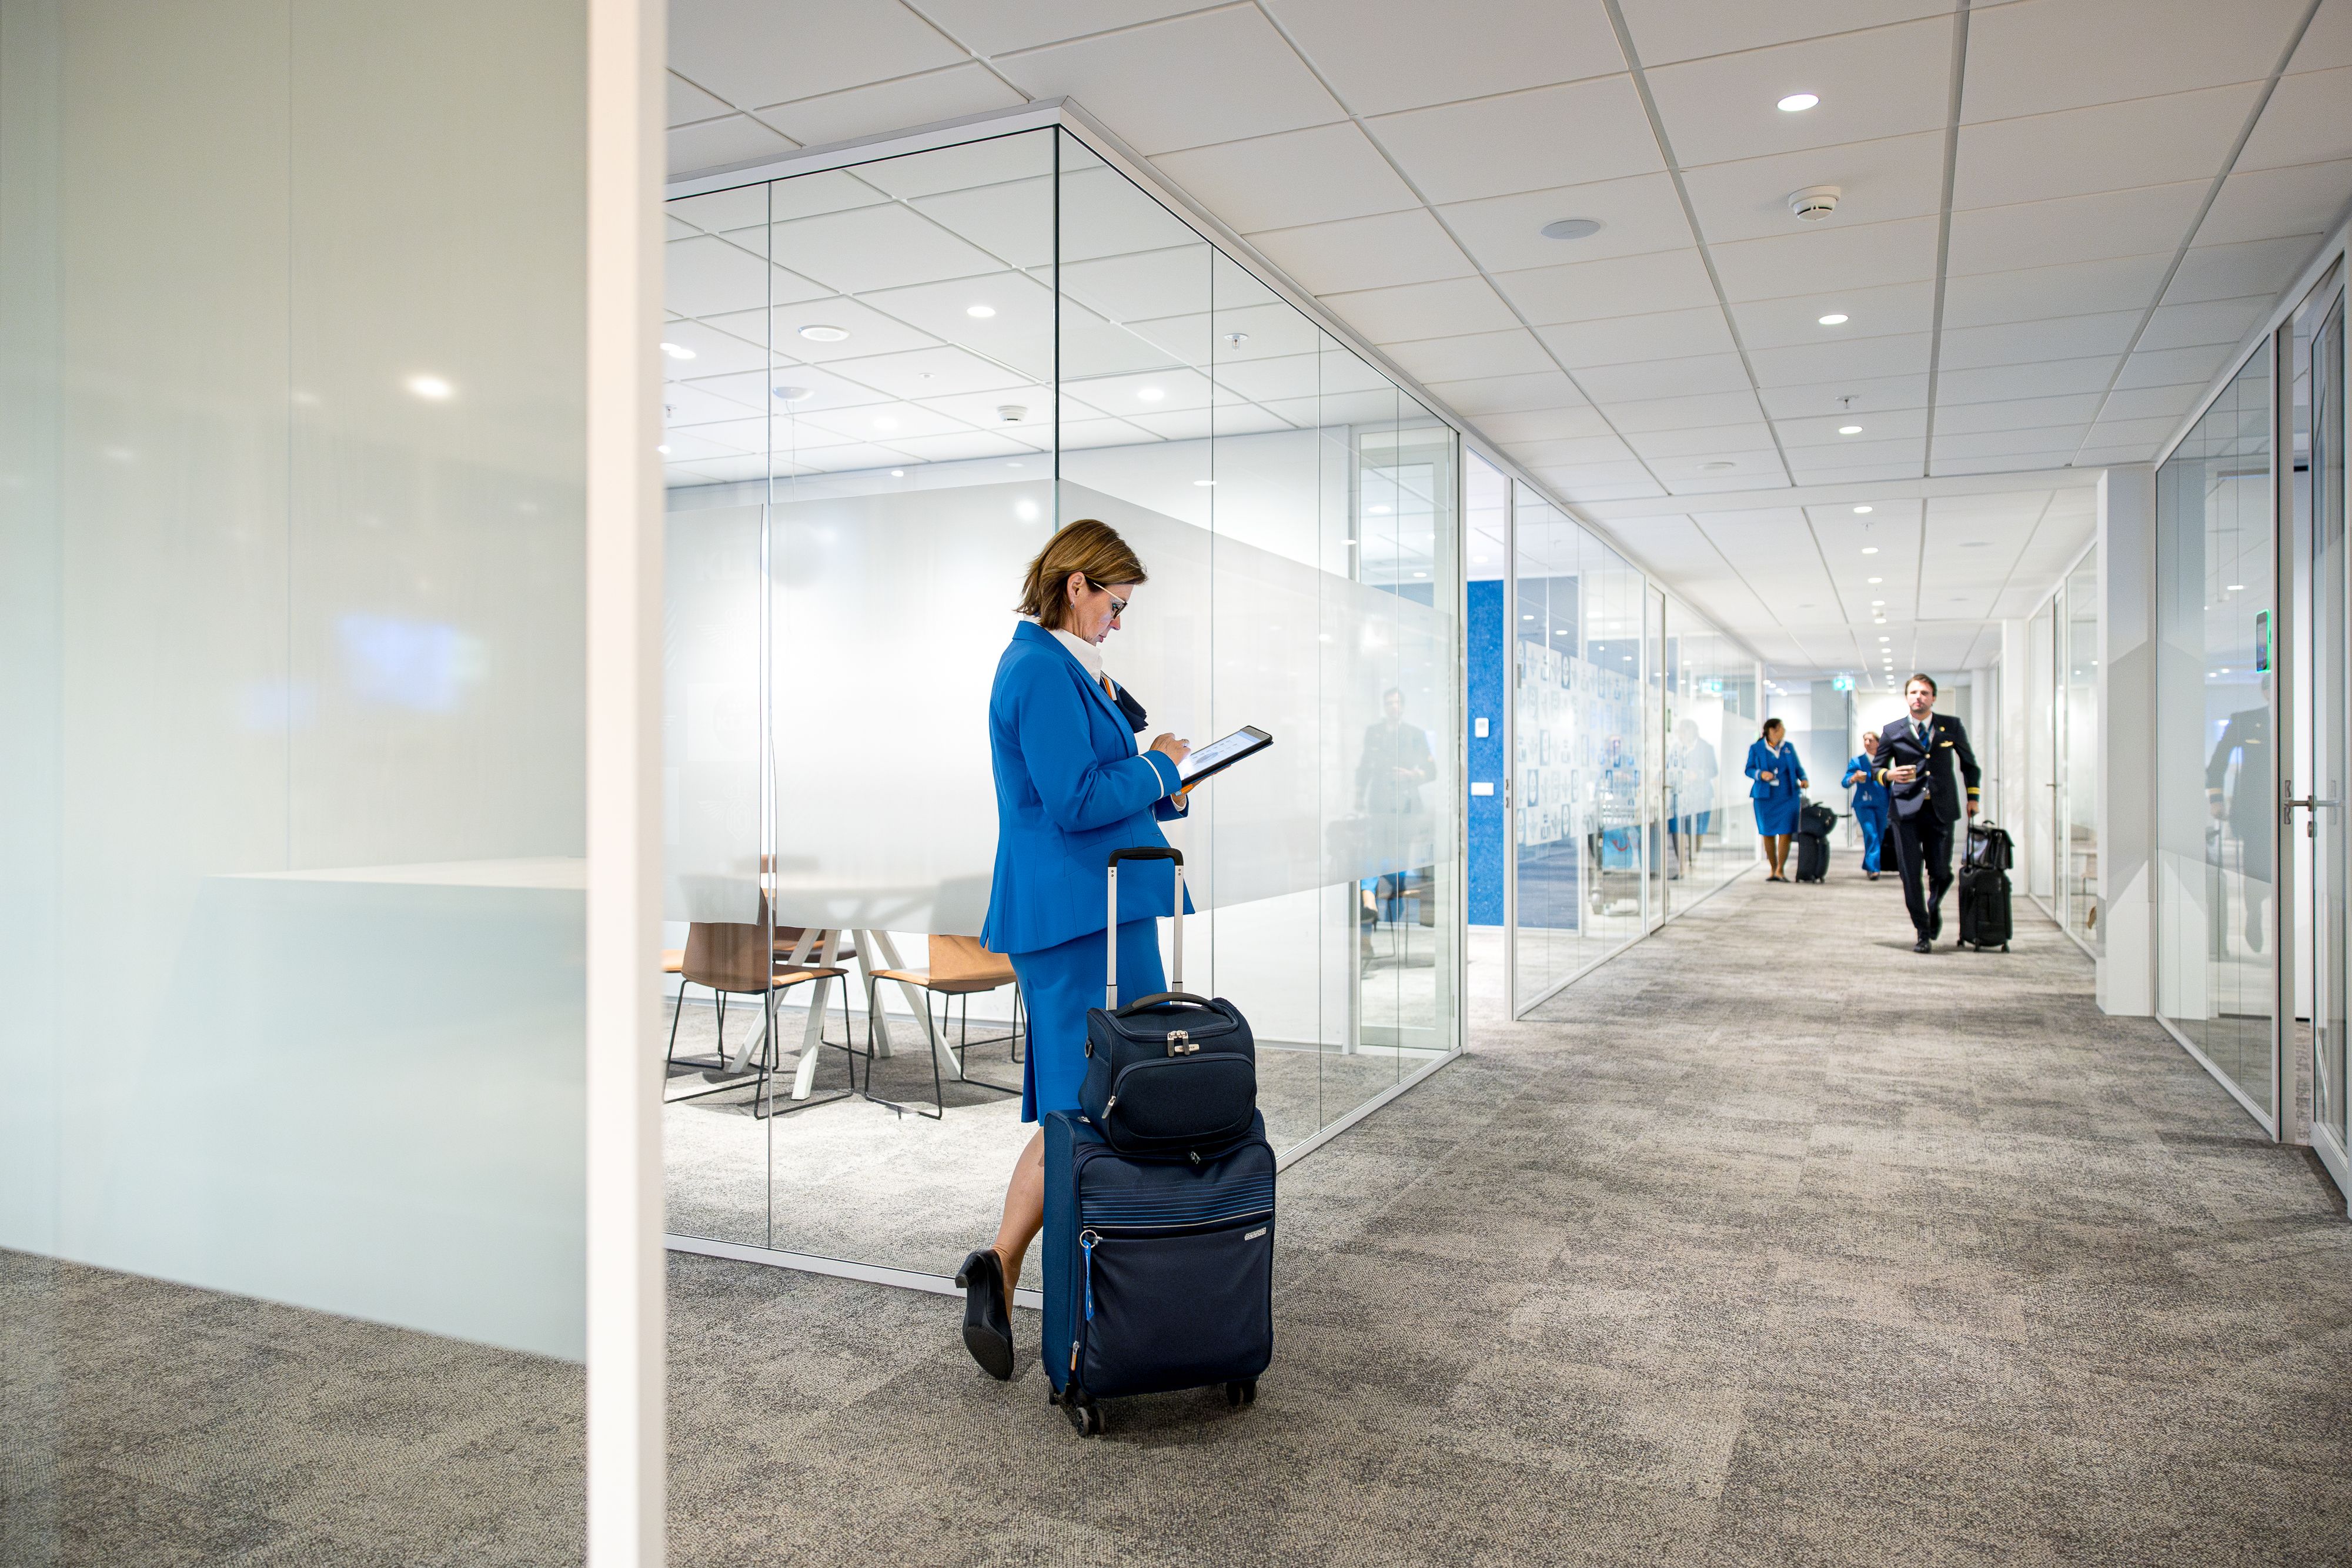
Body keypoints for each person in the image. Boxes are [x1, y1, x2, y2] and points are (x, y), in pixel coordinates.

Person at [957, 519, 1197, 1380]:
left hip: (1102, 904)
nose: (1119, 622)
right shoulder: (1036, 668)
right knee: (1084, 1103)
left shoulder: (1063, 667)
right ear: (1076, 585)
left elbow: (1099, 790)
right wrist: (1160, 767)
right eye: (1116, 604)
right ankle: (1050, 1288)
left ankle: (1012, 1268)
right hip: (1072, 919)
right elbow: (1071, 799)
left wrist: (1169, 780)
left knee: (1102, 1096)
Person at [1875, 673, 1981, 953]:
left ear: (1933, 697)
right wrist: (1890, 774)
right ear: (1906, 697)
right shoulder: (1892, 730)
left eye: (1924, 693)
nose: (1918, 697)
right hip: (1905, 810)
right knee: (1910, 874)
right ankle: (1923, 931)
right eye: (1913, 693)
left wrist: (1973, 797)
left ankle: (1933, 906)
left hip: (1941, 810)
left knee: (1942, 873)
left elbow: (1970, 765)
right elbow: (1876, 769)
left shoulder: (1951, 726)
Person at [1357, 687, 1436, 946]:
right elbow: (1364, 768)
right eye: (1389, 703)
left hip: (1406, 809)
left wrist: (1413, 776)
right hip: (1379, 807)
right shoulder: (1375, 733)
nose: (1393, 707)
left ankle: (1389, 916)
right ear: (1384, 706)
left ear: (1403, 706)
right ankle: (1369, 900)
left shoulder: (1415, 734)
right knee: (1373, 856)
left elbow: (1431, 770)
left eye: (1397, 703)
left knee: (1397, 866)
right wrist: (1359, 801)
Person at [2206, 678, 2271, 953]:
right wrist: (2217, 800)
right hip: (2254, 811)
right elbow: (2218, 763)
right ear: (2266, 692)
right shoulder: (2246, 720)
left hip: (2294, 807)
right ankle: (2254, 913)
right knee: (2256, 867)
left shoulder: (2305, 716)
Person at [1745, 718, 1807, 881]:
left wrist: (1804, 778)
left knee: (1786, 832)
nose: (1784, 730)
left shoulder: (1788, 748)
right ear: (1772, 730)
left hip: (1788, 796)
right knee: (1768, 833)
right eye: (1781, 728)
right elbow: (1749, 769)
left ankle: (1781, 869)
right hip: (1765, 798)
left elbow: (1798, 768)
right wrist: (1760, 774)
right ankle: (1773, 868)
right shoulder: (1757, 748)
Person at [1843, 730, 1891, 880]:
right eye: (1865, 740)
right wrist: (1854, 778)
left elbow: (1889, 782)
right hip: (1864, 804)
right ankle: (1874, 868)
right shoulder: (1857, 761)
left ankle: (1869, 864)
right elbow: (1845, 782)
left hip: (1882, 803)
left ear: (1878, 742)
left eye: (1870, 740)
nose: (1867, 743)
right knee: (1872, 834)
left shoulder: (1884, 761)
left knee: (1880, 836)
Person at [1673, 717, 1718, 875]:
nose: (1680, 736)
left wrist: (1698, 775)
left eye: (1683, 732)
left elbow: (1714, 771)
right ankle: (1682, 865)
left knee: (1697, 831)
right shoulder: (1676, 749)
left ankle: (1693, 861)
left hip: (1701, 797)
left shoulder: (1706, 748)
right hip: (1681, 796)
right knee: (1679, 829)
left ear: (1691, 732)